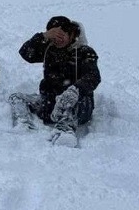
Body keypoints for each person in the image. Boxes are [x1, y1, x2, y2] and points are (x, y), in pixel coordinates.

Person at [9, 15, 101, 145]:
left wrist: (75, 90)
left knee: (70, 102)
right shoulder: (49, 49)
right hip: (50, 102)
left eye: (61, 35)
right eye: (54, 36)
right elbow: (25, 53)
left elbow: (93, 76)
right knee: (17, 98)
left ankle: (65, 131)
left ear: (71, 34)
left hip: (78, 104)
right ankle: (24, 123)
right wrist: (43, 36)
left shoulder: (84, 52)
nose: (57, 40)